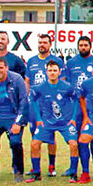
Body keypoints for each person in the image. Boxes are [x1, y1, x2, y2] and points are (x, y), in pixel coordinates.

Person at [25, 60, 78, 183]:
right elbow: (32, 99)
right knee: (34, 144)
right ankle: (36, 173)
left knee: (74, 144)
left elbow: (76, 100)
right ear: (46, 72)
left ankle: (74, 174)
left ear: (59, 72)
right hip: (47, 123)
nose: (52, 73)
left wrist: (73, 118)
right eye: (50, 70)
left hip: (65, 123)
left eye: (55, 70)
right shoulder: (40, 87)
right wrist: (38, 118)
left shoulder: (67, 87)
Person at [25, 34, 65, 177]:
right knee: (34, 134)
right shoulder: (31, 61)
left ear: (50, 44)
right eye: (40, 42)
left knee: (51, 135)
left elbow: (62, 81)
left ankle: (51, 165)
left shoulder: (57, 61)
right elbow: (27, 82)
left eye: (45, 42)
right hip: (35, 104)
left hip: (51, 105)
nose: (42, 44)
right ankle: (35, 166)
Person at [64, 36, 93, 177]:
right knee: (76, 136)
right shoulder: (71, 63)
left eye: (86, 45)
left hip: (92, 105)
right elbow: (66, 83)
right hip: (76, 105)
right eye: (81, 45)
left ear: (90, 46)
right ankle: (73, 167)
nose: (83, 47)